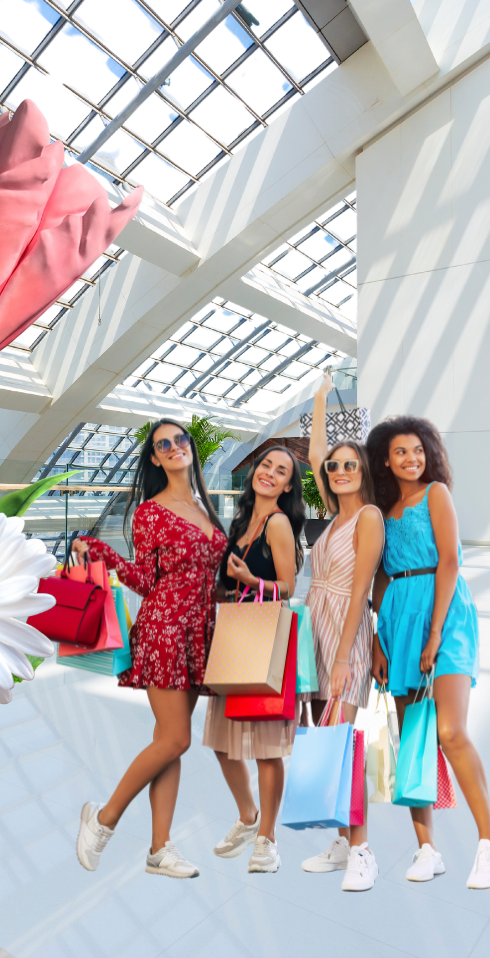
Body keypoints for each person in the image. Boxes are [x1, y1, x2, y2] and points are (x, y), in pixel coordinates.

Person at [72, 419, 227, 878]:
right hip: (164, 629)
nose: (175, 446)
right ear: (156, 458)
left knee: (169, 742)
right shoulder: (150, 512)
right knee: (176, 737)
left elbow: (210, 572)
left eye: (181, 439)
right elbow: (146, 580)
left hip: (199, 632)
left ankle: (160, 850)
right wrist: (103, 554)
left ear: (190, 449)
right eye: (164, 444)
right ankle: (102, 819)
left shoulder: (204, 505)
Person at [368, 416, 490, 889]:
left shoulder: (436, 493)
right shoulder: (381, 508)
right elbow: (379, 577)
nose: (412, 459)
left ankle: (486, 842)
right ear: (385, 458)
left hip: (444, 616)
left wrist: (435, 632)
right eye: (401, 452)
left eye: (418, 450)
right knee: (414, 742)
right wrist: (380, 637)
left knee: (450, 730)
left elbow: (451, 560)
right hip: (398, 621)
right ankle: (427, 850)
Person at [299, 372, 384, 891]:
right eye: (335, 466)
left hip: (345, 635)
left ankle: (362, 850)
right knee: (322, 740)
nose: (338, 470)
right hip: (314, 629)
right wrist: (319, 399)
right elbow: (313, 456)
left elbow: (358, 591)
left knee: (341, 742)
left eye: (350, 464)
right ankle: (338, 838)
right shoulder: (331, 517)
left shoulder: (368, 517)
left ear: (363, 471)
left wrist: (344, 658)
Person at [203, 446, 302, 875]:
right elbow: (226, 586)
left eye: (281, 472)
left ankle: (267, 839)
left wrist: (249, 579)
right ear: (255, 472)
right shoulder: (241, 522)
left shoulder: (278, 523)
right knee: (223, 744)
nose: (270, 474)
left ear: (287, 486)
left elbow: (288, 586)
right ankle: (248, 816)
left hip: (263, 636)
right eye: (266, 465)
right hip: (234, 634)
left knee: (265, 748)